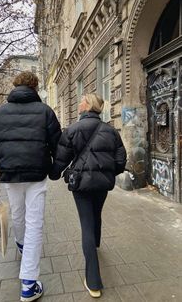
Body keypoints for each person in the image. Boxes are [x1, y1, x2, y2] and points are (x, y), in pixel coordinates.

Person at [0, 71, 61, 302]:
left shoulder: (0, 112)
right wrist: (56, 170)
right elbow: (59, 144)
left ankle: (23, 247)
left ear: (15, 86)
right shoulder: (45, 111)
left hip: (11, 173)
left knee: (18, 215)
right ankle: (28, 283)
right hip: (37, 173)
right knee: (34, 222)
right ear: (35, 87)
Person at [50, 93, 127, 298]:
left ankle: (93, 281)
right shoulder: (110, 130)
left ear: (88, 106)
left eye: (82, 100)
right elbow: (121, 159)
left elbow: (61, 158)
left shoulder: (73, 130)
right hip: (102, 184)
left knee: (86, 223)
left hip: (81, 184)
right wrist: (108, 172)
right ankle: (96, 244)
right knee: (96, 213)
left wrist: (54, 173)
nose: (78, 103)